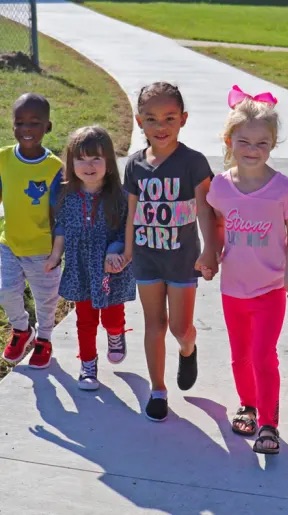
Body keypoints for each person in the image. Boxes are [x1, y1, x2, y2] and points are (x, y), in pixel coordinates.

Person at [205, 85, 288, 455]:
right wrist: (209, 255)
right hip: (233, 287)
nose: (252, 150)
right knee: (240, 354)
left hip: (270, 288)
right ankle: (246, 404)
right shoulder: (220, 187)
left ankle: (268, 423)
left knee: (264, 355)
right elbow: (215, 223)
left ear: (273, 144)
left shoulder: (283, 189)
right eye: (244, 141)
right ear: (229, 140)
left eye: (262, 143)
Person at [123, 81, 218, 422]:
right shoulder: (134, 166)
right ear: (139, 121)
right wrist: (127, 252)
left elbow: (206, 209)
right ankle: (158, 389)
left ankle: (188, 349)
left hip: (182, 260)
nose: (160, 127)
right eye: (151, 119)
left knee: (179, 327)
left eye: (169, 118)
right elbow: (131, 213)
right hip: (148, 259)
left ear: (183, 119)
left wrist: (210, 252)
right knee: (154, 324)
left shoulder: (192, 162)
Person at [45, 126, 135, 390]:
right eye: (81, 159)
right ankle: (87, 366)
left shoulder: (118, 196)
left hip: (109, 270)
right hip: (80, 268)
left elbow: (123, 229)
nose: (89, 165)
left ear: (109, 161)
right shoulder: (66, 194)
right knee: (85, 320)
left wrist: (115, 252)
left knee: (110, 315)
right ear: (70, 163)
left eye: (96, 158)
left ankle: (116, 333)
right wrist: (54, 255)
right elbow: (61, 227)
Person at [0, 93, 62, 369]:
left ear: (47, 127)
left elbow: (59, 215)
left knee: (46, 298)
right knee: (5, 291)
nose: (26, 129)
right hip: (9, 243)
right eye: (20, 122)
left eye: (35, 123)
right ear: (12, 125)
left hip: (42, 250)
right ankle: (22, 331)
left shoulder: (55, 168)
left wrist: (57, 251)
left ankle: (45, 337)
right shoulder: (2, 158)